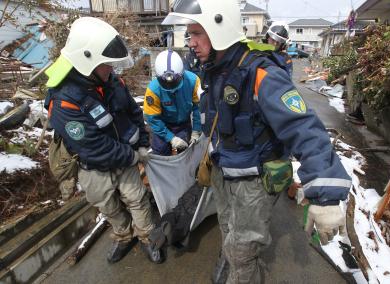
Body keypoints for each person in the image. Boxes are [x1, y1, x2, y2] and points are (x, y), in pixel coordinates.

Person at [162, 1, 352, 283]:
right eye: (190, 35)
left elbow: (303, 126)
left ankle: (240, 269)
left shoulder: (261, 73)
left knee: (244, 248)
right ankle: (231, 259)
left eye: (197, 33)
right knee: (227, 228)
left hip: (254, 182)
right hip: (223, 173)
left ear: (219, 29)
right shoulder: (214, 69)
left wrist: (325, 193)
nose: (191, 43)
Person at [43, 17, 165, 264]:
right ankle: (123, 235)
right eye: (105, 64)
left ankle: (147, 237)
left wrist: (141, 142)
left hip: (126, 156)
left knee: (138, 198)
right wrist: (132, 156)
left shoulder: (112, 82)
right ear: (85, 61)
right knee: (107, 205)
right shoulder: (64, 102)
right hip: (95, 165)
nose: (111, 68)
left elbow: (133, 112)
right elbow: (93, 146)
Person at [143, 49, 202, 156]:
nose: (172, 89)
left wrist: (196, 130)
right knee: (160, 152)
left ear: (182, 74)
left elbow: (198, 108)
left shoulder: (193, 81)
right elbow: (152, 118)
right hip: (162, 125)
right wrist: (171, 138)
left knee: (186, 152)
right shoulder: (153, 90)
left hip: (183, 124)